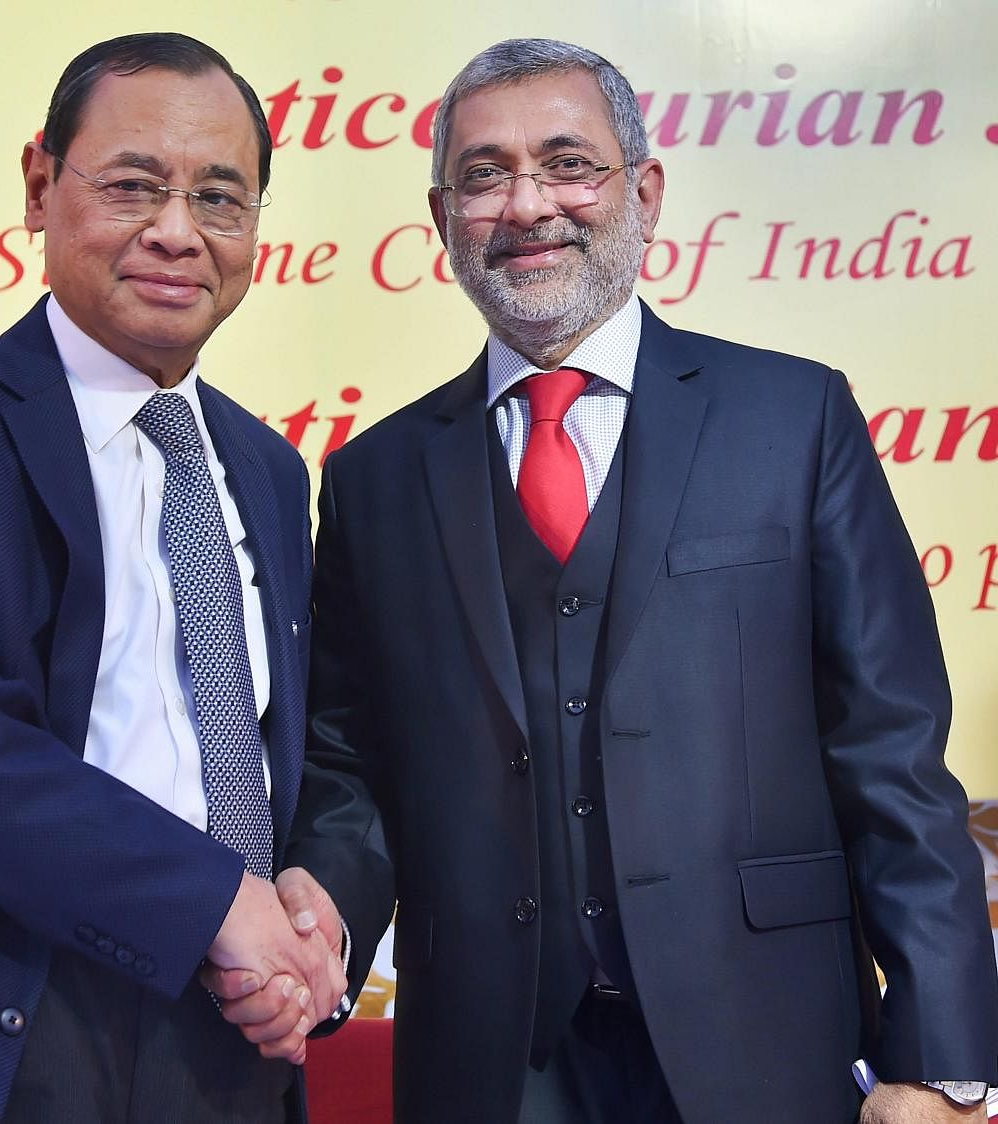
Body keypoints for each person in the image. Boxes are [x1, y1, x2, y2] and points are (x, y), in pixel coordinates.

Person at [217, 37, 998, 1124]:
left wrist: (947, 1055)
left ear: (646, 191)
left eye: (568, 162)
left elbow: (892, 750)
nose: (527, 202)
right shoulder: (372, 477)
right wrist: (326, 918)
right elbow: (352, 764)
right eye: (484, 174)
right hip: (489, 1061)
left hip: (768, 1038)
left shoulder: (793, 420)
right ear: (444, 217)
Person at [0, 32, 346, 1124]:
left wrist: (315, 911)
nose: (178, 232)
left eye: (220, 198)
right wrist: (206, 902)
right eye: (134, 185)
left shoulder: (272, 469)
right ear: (41, 184)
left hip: (231, 1031)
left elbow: (312, 740)